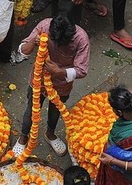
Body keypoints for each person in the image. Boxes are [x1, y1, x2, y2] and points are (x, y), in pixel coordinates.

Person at [12, 14, 90, 157]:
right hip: (38, 80)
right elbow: (22, 51)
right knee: (32, 109)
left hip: (62, 84)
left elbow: (82, 70)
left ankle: (50, 134)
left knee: (55, 110)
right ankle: (23, 136)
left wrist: (60, 71)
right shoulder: (44, 27)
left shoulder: (81, 39)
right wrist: (33, 43)